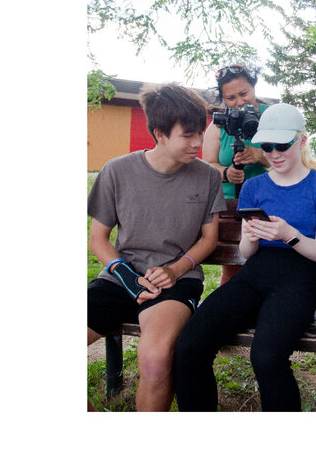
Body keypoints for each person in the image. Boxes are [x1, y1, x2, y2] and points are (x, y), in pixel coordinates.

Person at [174, 103, 316, 411]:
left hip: (297, 279)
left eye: (282, 145)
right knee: (189, 345)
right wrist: (249, 237)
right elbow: (247, 254)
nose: (274, 154)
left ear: (301, 141)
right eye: (266, 146)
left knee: (266, 357)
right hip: (255, 275)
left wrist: (288, 233)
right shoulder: (254, 186)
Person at [87, 84, 226, 412]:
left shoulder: (207, 177)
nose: (198, 143)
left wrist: (174, 270)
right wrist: (127, 278)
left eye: (200, 133)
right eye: (188, 135)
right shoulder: (117, 171)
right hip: (121, 277)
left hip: (177, 281)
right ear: (160, 133)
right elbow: (99, 239)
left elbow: (209, 239)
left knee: (155, 359)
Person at [202, 64, 270, 284]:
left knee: (268, 264)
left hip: (269, 201)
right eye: (231, 98)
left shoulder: (272, 116)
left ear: (254, 87)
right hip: (230, 205)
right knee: (232, 269)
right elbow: (207, 164)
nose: (239, 102)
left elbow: (295, 153)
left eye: (244, 94)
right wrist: (226, 173)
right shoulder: (218, 125)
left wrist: (260, 155)